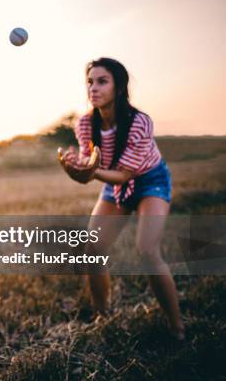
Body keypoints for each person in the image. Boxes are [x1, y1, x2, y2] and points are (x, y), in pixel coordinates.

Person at [58, 57, 185, 340]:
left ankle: (177, 327)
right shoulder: (85, 125)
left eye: (102, 81)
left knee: (147, 251)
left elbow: (126, 174)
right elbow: (91, 161)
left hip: (149, 180)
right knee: (93, 249)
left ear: (119, 87)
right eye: (90, 82)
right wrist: (75, 166)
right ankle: (103, 318)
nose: (93, 88)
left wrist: (90, 173)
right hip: (112, 181)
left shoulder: (140, 122)